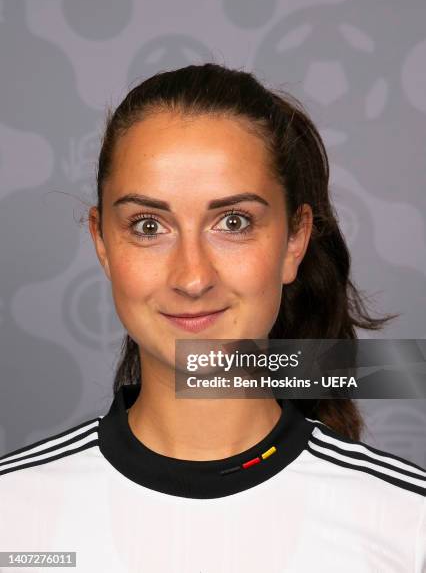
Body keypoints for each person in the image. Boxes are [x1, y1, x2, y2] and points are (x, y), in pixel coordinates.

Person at [0, 63, 424, 572]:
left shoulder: (408, 526)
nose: (193, 277)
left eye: (233, 222)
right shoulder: (13, 515)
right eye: (149, 225)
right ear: (103, 243)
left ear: (294, 240)